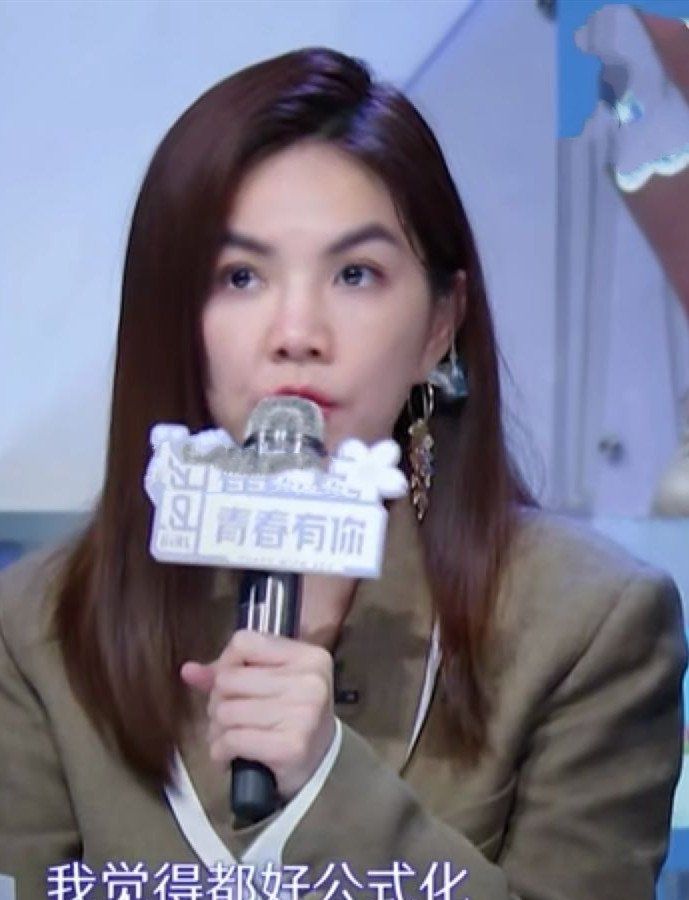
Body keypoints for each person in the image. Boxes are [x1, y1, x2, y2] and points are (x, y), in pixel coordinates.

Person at [0, 47, 686, 900]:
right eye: (240, 276)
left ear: (439, 325)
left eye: (355, 274)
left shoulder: (588, 625)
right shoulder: (36, 626)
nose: (297, 333)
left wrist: (330, 785)